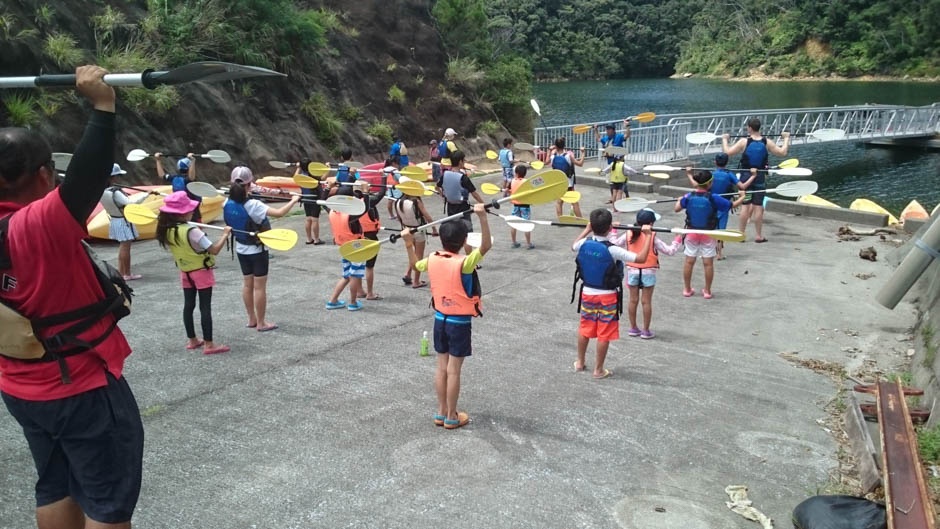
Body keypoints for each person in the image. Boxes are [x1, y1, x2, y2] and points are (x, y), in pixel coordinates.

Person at [0, 65, 144, 529]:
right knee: (107, 505)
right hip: (78, 386)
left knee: (56, 483)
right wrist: (103, 106)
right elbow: (88, 176)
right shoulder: (36, 225)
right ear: (44, 175)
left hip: (20, 387)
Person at [402, 203, 492, 430]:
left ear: (441, 240)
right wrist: (482, 217)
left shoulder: (432, 258)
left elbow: (415, 265)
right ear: (464, 241)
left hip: (439, 319)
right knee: (453, 370)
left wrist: (408, 243)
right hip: (459, 323)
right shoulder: (464, 263)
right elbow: (486, 245)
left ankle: (441, 411)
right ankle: (452, 415)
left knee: (441, 367)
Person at [571, 209, 652, 378]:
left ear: (592, 226)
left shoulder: (583, 244)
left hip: (587, 294)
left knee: (585, 328)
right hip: (607, 297)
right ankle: (598, 370)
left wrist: (587, 230)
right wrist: (649, 236)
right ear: (609, 228)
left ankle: (580, 362)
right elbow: (641, 259)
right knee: (604, 333)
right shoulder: (613, 250)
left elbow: (573, 245)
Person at [223, 166, 299, 331]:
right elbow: (279, 213)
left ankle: (252, 319)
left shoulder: (226, 202)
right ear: (249, 184)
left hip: (241, 248)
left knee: (247, 284)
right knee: (259, 287)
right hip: (257, 251)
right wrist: (293, 200)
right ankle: (261, 323)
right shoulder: (254, 205)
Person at [155, 191, 232, 355]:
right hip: (201, 272)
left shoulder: (166, 230)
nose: (192, 211)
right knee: (205, 307)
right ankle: (209, 345)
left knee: (188, 306)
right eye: (190, 209)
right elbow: (214, 250)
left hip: (185, 272)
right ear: (182, 213)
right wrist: (225, 234)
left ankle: (193, 340)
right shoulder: (192, 230)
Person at [611, 209, 681, 339]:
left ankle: (633, 328)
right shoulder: (652, 236)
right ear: (651, 223)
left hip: (632, 271)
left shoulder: (628, 233)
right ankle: (646, 330)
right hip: (649, 271)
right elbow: (670, 251)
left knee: (633, 300)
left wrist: (614, 230)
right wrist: (678, 238)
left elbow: (613, 244)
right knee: (646, 302)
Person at [721, 118, 790, 243]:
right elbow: (783, 152)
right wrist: (786, 138)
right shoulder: (767, 142)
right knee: (758, 207)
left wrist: (725, 139)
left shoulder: (744, 142)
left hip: (745, 178)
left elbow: (727, 152)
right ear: (759, 128)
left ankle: (740, 235)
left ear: (750, 128)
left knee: (745, 206)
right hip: (760, 177)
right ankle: (758, 236)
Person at [675, 169, 732, 299]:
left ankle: (687, 289)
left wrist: (680, 200)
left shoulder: (689, 196)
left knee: (689, 261)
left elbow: (677, 208)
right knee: (708, 263)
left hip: (691, 232)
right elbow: (731, 205)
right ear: (710, 183)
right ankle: (707, 291)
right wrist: (741, 196)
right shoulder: (714, 197)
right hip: (708, 233)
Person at [100, 163, 151, 280]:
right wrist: (145, 195)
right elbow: (130, 204)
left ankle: (122, 272)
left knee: (122, 247)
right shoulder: (115, 192)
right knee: (125, 247)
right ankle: (127, 273)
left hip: (115, 219)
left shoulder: (102, 190)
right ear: (113, 177)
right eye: (117, 176)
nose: (119, 178)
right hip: (123, 221)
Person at [326, 181, 371, 311]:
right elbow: (365, 208)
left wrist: (327, 188)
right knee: (355, 275)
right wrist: (365, 192)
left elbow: (324, 200)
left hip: (343, 248)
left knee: (346, 275)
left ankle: (332, 301)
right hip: (355, 248)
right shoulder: (349, 215)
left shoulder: (331, 211)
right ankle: (353, 302)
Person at [692, 153, 746, 260]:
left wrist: (689, 174)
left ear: (715, 162)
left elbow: (697, 185)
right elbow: (742, 186)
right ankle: (719, 254)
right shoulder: (729, 174)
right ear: (727, 162)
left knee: (711, 228)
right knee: (721, 230)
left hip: (711, 205)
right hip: (724, 206)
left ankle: (707, 251)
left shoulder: (710, 175)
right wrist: (753, 176)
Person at [438, 150, 483, 254]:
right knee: (467, 235)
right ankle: (469, 260)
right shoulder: (463, 178)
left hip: (450, 208)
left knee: (453, 233)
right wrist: (483, 204)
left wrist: (443, 195)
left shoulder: (445, 174)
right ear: (460, 162)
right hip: (463, 209)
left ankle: (454, 256)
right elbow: (474, 193)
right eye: (463, 160)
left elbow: (437, 186)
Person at [396, 193, 436, 288]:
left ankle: (408, 273)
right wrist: (434, 229)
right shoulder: (416, 202)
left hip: (407, 230)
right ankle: (416, 281)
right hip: (418, 230)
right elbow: (427, 216)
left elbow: (399, 218)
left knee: (413, 253)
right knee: (419, 255)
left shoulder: (398, 202)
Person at [357, 168, 386, 301]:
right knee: (369, 267)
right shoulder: (369, 202)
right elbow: (382, 192)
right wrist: (384, 177)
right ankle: (369, 293)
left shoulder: (351, 204)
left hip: (357, 237)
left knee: (356, 265)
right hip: (370, 238)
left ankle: (359, 291)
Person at [154, 151, 202, 222]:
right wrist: (193, 161)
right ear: (189, 168)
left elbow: (162, 175)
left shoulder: (174, 178)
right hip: (192, 212)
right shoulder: (188, 181)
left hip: (179, 211)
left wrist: (158, 160)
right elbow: (191, 177)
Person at [548, 137, 585, 218]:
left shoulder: (552, 157)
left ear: (556, 146)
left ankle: (560, 219)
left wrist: (549, 150)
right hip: (568, 183)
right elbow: (580, 164)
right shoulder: (568, 156)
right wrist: (583, 153)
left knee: (559, 202)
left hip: (558, 183)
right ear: (564, 146)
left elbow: (546, 162)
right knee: (574, 202)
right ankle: (581, 220)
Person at [295, 159, 325, 245]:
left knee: (308, 219)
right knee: (315, 219)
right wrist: (327, 169)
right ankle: (316, 239)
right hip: (314, 198)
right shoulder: (312, 176)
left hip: (305, 199)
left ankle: (309, 239)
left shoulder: (300, 176)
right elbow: (323, 178)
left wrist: (298, 168)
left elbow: (295, 176)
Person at [508, 165, 534, 249]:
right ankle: (528, 244)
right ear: (525, 173)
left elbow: (509, 190)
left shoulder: (512, 181)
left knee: (513, 223)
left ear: (516, 173)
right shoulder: (526, 182)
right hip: (525, 206)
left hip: (516, 206)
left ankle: (513, 242)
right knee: (526, 224)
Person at [384, 156, 401, 221]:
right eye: (397, 163)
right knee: (397, 201)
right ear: (394, 163)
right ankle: (399, 216)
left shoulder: (385, 169)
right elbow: (399, 179)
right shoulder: (395, 170)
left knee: (390, 201)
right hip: (396, 187)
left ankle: (391, 215)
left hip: (389, 187)